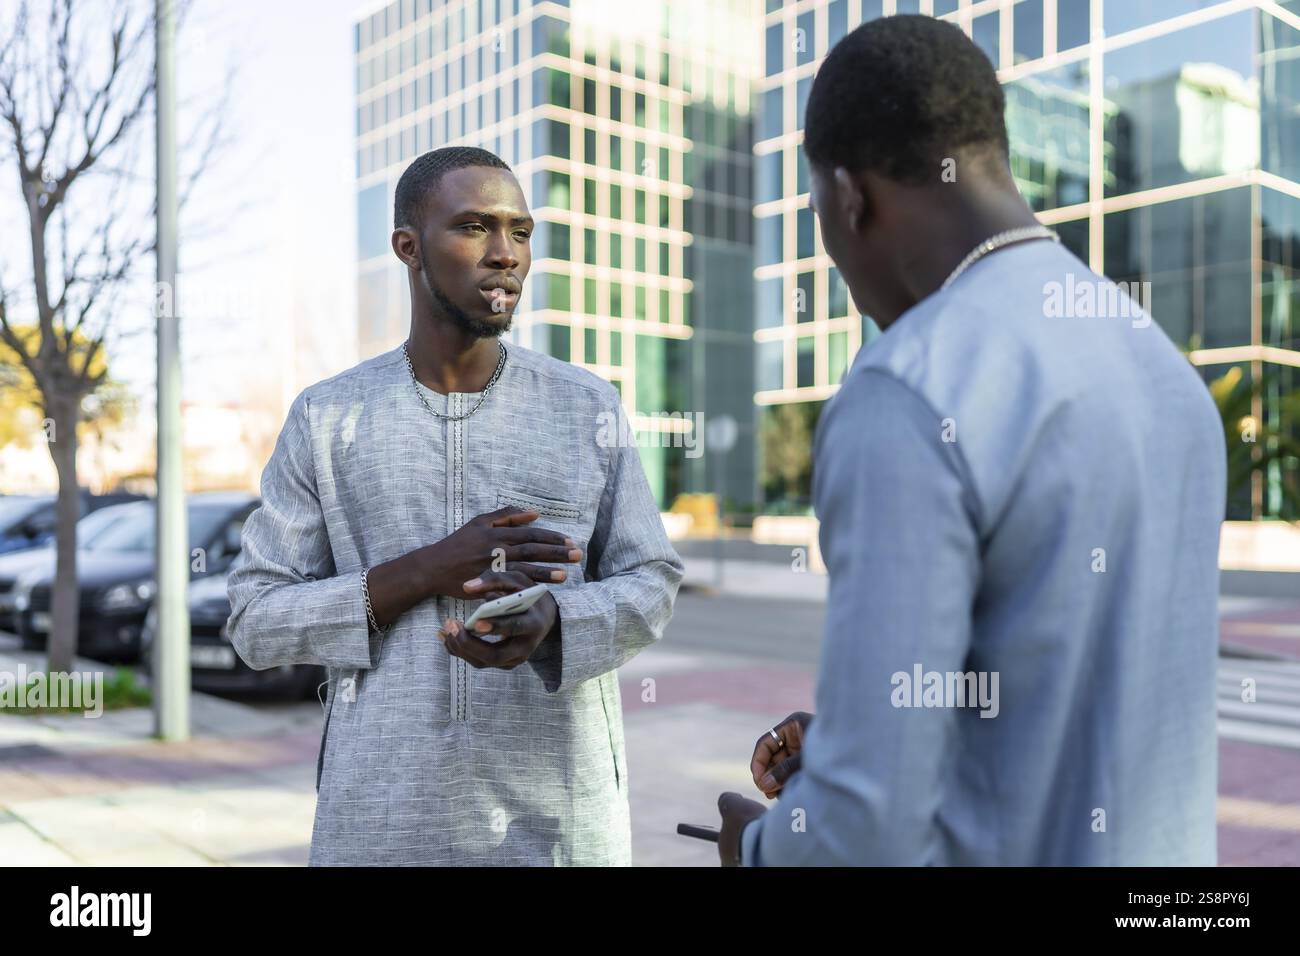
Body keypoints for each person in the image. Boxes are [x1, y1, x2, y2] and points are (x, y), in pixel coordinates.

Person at [716, 15, 1225, 866]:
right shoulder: (1164, 370)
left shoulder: (908, 390)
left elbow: (861, 837)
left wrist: (763, 845)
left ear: (849, 197)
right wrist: (866, 739)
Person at [227, 146, 683, 866]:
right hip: (381, 824)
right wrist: (423, 572)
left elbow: (652, 580)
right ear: (409, 247)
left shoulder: (586, 405)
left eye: (521, 232)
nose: (506, 254)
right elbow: (255, 620)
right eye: (474, 227)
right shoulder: (328, 417)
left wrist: (558, 622)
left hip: (558, 827)